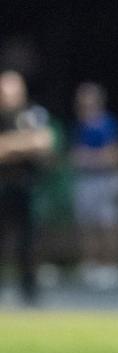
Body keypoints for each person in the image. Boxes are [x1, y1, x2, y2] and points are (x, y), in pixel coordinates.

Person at [0, 70, 54, 305]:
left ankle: (29, 293)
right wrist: (25, 143)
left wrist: (12, 145)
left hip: (26, 185)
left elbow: (44, 141)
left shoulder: (33, 113)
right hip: (2, 185)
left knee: (28, 242)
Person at [71, 82, 118, 289]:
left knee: (108, 225)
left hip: (105, 179)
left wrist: (91, 158)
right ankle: (90, 264)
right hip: (85, 180)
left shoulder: (107, 124)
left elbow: (115, 155)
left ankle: (110, 266)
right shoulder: (80, 125)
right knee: (87, 225)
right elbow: (74, 155)